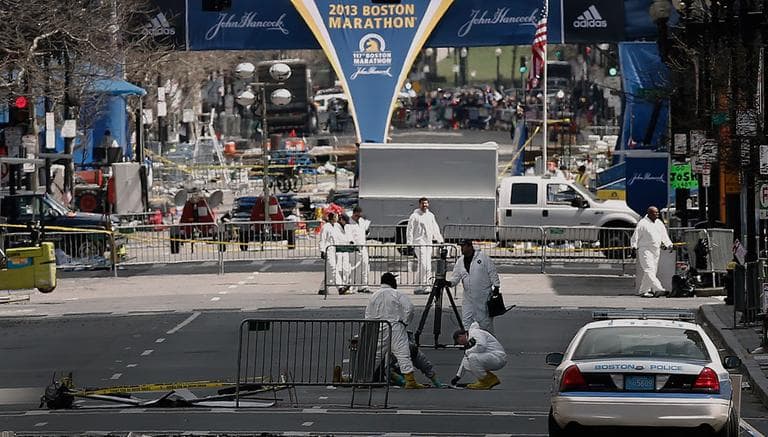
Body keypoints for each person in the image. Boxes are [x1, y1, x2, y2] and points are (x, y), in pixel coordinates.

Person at [365, 272, 427, 389]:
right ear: (392, 282)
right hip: (395, 326)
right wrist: (405, 321)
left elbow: (368, 314)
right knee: (403, 353)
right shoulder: (396, 294)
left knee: (376, 354)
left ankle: (364, 378)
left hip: (379, 326)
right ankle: (410, 380)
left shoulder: (374, 295)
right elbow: (410, 308)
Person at [449, 239, 500, 334]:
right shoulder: (460, 261)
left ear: (469, 246)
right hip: (468, 298)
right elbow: (455, 277)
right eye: (460, 247)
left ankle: (490, 344)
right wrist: (449, 283)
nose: (461, 249)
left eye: (463, 246)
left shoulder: (483, 258)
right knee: (467, 321)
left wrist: (496, 286)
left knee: (485, 323)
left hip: (483, 297)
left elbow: (492, 272)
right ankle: (469, 343)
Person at [631, 206, 673, 298]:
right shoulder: (642, 223)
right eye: (655, 213)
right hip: (645, 250)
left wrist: (668, 244)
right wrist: (633, 247)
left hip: (656, 249)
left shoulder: (659, 223)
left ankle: (643, 291)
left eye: (658, 212)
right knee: (649, 269)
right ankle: (658, 289)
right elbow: (635, 236)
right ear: (649, 213)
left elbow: (664, 235)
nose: (657, 214)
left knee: (652, 271)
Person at [451, 322, 507, 390]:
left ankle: (487, 381)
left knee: (472, 357)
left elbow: (482, 346)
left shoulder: (475, 333)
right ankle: (489, 379)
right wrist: (457, 377)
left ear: (460, 336)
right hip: (490, 357)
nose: (460, 344)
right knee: (467, 363)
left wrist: (469, 351)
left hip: (498, 357)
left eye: (458, 341)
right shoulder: (470, 339)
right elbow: (465, 358)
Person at [406, 197, 444, 295]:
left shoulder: (430, 215)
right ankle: (424, 285)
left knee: (426, 264)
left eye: (426, 203)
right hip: (418, 243)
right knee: (423, 263)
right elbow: (409, 230)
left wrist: (440, 240)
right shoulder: (414, 216)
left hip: (428, 243)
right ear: (419, 204)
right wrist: (409, 243)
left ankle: (420, 285)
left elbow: (435, 228)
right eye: (423, 203)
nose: (425, 205)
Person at [349, 206, 371, 293]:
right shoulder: (349, 223)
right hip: (354, 248)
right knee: (353, 267)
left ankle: (363, 286)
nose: (358, 218)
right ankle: (352, 286)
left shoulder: (362, 221)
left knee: (365, 266)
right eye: (357, 216)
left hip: (363, 246)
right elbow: (349, 236)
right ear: (353, 214)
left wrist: (367, 231)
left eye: (359, 216)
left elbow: (365, 232)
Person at [318, 212, 340, 295]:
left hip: (335, 250)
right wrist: (322, 250)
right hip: (328, 250)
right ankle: (340, 287)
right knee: (332, 268)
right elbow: (322, 239)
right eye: (336, 217)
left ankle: (322, 288)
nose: (337, 218)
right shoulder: (326, 227)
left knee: (331, 270)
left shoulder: (336, 226)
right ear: (332, 218)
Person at [335, 214, 354, 294]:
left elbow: (349, 236)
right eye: (344, 221)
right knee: (336, 269)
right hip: (337, 250)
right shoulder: (335, 227)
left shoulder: (346, 226)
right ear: (341, 219)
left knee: (346, 268)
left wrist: (351, 241)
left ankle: (345, 286)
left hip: (345, 249)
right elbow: (336, 238)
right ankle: (340, 286)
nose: (345, 223)